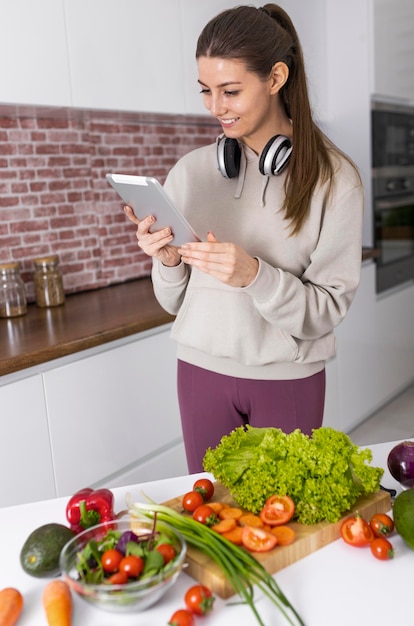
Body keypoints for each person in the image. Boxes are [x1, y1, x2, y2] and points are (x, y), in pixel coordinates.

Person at [124, 4, 364, 473]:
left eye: (230, 91)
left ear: (276, 78)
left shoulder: (334, 180)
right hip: (199, 374)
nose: (216, 108)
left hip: (286, 379)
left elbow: (327, 310)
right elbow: (173, 302)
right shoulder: (190, 173)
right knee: (213, 524)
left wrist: (255, 276)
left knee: (283, 528)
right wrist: (168, 261)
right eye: (206, 91)